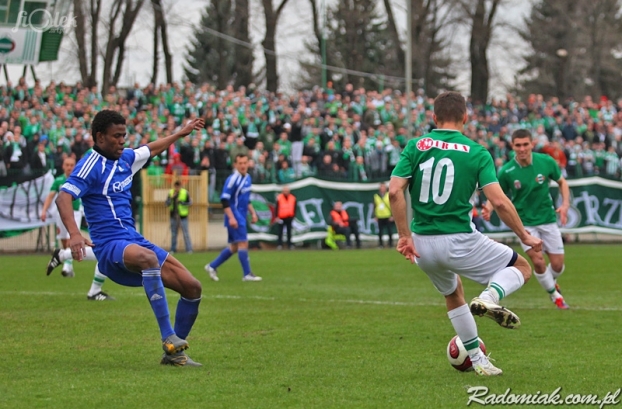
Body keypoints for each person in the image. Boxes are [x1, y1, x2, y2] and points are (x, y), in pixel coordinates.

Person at [389, 91, 542, 376]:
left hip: (422, 245)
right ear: (466, 118)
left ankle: (479, 360)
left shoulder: (415, 145)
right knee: (521, 267)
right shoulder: (477, 152)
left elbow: (395, 190)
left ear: (434, 118)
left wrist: (403, 235)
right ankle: (490, 297)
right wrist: (525, 236)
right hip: (459, 239)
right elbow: (498, 201)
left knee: (453, 293)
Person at [55, 110, 205, 366]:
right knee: (148, 259)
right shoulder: (90, 165)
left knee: (192, 287)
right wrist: (75, 234)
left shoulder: (125, 158)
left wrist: (180, 133)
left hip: (133, 238)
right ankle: (168, 335)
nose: (122, 140)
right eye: (117, 136)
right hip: (110, 244)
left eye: (124, 135)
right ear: (100, 137)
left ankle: (174, 354)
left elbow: (149, 149)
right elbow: (64, 196)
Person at [482, 129, 570, 310]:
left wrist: (565, 204)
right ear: (512, 146)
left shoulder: (545, 161)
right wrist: (489, 208)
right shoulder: (507, 171)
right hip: (525, 223)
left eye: (525, 144)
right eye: (517, 145)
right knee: (537, 261)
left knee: (558, 265)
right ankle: (555, 296)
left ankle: (550, 283)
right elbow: (498, 193)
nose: (522, 149)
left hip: (547, 218)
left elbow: (562, 182)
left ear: (532, 144)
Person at [42, 156, 114, 301]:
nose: (69, 167)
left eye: (71, 165)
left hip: (85, 214)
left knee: (105, 251)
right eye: (67, 164)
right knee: (105, 251)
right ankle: (93, 289)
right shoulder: (79, 177)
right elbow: (58, 198)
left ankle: (64, 258)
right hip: (79, 215)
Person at [205, 154, 262, 282]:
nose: (242, 165)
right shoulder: (232, 179)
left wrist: (253, 213)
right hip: (234, 215)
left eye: (244, 163)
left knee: (235, 247)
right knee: (243, 243)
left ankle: (212, 266)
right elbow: (224, 200)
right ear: (235, 165)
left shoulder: (248, 178)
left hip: (241, 215)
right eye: (240, 163)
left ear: (248, 163)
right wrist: (231, 218)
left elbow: (246, 200)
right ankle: (247, 274)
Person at [166, 180, 193, 254]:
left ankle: (189, 249)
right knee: (174, 233)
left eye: (178, 186)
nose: (177, 188)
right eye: (176, 186)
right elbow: (166, 203)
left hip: (182, 216)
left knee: (185, 233)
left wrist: (182, 202)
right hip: (173, 216)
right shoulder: (171, 193)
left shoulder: (185, 192)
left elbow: (190, 203)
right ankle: (173, 249)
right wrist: (171, 198)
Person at [275, 185, 297, 250]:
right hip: (281, 217)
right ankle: (279, 244)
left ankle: (289, 244)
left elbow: (295, 207)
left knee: (289, 232)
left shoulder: (293, 198)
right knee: (280, 232)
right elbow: (276, 207)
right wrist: (276, 216)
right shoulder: (279, 197)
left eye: (287, 191)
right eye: (285, 191)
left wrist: (293, 215)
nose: (286, 192)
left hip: (289, 217)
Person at [373, 183, 393, 248]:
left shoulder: (388, 195)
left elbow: (392, 205)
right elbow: (374, 206)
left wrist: (392, 215)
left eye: (383, 187)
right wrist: (375, 215)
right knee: (380, 232)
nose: (382, 188)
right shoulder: (376, 196)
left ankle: (390, 244)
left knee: (389, 231)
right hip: (380, 216)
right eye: (381, 187)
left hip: (387, 215)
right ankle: (380, 244)